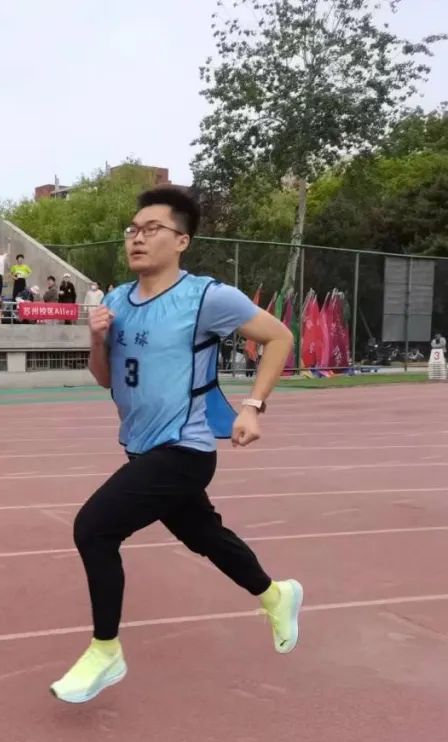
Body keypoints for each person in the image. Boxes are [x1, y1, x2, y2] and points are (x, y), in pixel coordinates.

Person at [49, 186, 302, 705]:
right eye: (132, 230)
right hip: (139, 447)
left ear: (181, 240)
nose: (137, 238)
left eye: (151, 230)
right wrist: (96, 339)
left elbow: (280, 337)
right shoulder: (115, 301)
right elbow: (105, 379)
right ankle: (276, 594)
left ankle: (105, 651)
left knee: (94, 529)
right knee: (204, 535)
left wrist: (253, 406)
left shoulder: (206, 297)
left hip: (184, 450)